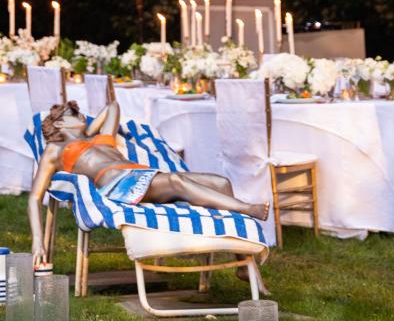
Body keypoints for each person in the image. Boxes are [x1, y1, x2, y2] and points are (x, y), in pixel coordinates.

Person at [28, 99, 268, 265]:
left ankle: (241, 264)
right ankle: (246, 208)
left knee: (221, 183)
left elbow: (112, 107)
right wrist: (38, 241)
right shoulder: (55, 149)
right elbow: (35, 197)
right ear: (59, 124)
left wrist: (86, 130)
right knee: (175, 180)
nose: (81, 115)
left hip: (145, 176)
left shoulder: (101, 139)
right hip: (121, 184)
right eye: (74, 115)